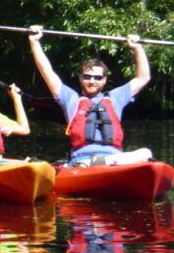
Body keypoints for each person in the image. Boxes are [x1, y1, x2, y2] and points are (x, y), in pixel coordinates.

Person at [28, 26, 152, 167]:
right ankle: (91, 164)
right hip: (81, 160)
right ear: (80, 78)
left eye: (97, 77)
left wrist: (137, 48)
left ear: (104, 80)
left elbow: (143, 78)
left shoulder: (115, 98)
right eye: (87, 77)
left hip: (115, 160)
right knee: (142, 155)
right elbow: (46, 71)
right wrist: (35, 42)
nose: (92, 81)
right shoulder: (71, 99)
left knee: (146, 152)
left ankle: (102, 162)